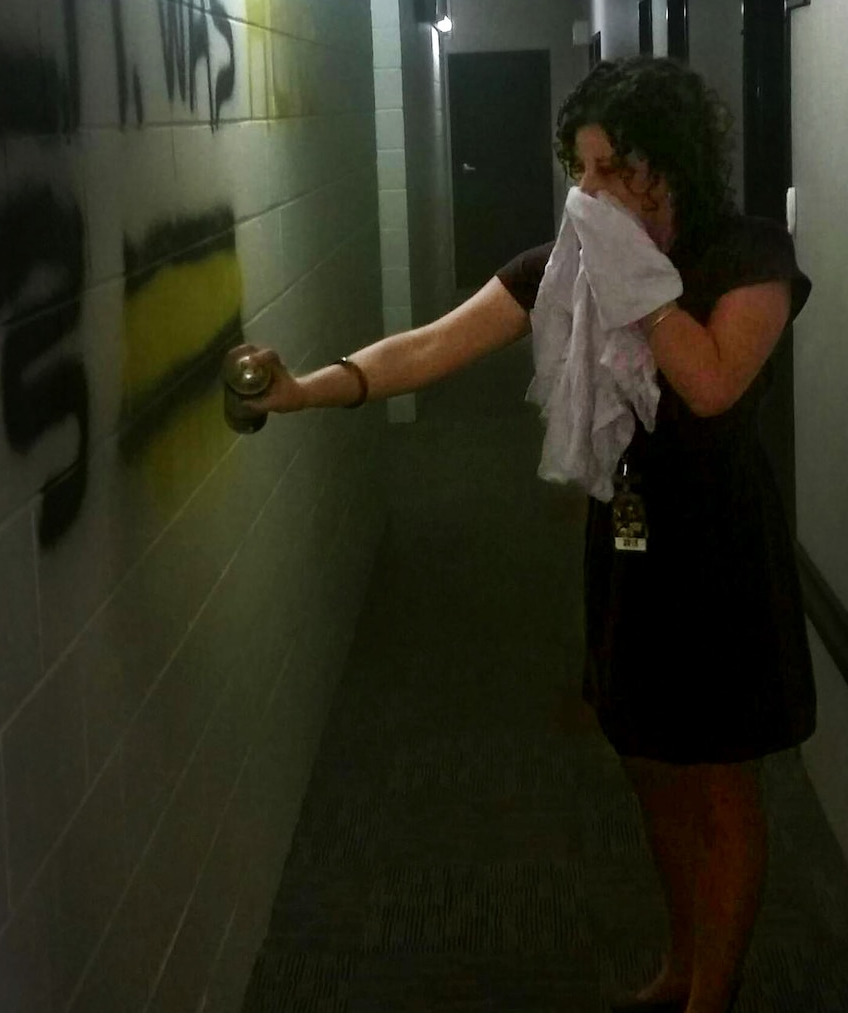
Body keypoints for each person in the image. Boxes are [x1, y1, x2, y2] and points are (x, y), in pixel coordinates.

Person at [228, 57, 816, 1013]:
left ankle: (718, 994)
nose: (585, 193)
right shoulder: (567, 271)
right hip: (629, 547)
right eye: (577, 171)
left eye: (605, 171)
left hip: (722, 554)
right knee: (651, 767)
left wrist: (641, 287)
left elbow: (709, 384)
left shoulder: (747, 256)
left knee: (721, 783)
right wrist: (307, 389)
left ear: (665, 165)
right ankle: (681, 964)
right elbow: (430, 345)